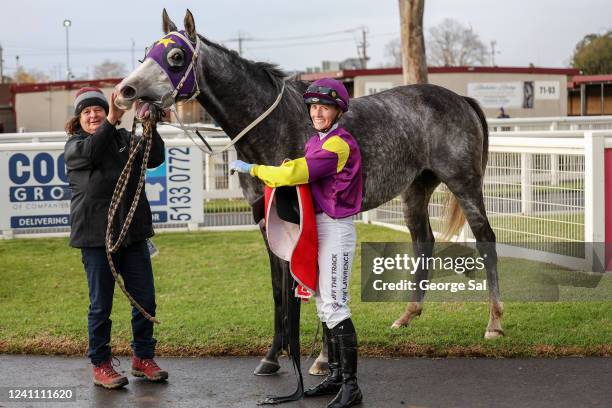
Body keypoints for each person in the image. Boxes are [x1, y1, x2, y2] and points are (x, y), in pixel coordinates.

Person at [231, 78, 363, 408]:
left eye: (325, 107)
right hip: (318, 227)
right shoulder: (317, 142)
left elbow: (293, 175)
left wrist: (254, 169)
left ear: (338, 111)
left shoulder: (338, 145)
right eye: (314, 107)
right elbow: (297, 170)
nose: (317, 112)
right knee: (322, 302)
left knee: (335, 306)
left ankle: (351, 386)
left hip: (336, 229)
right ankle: (334, 375)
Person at [64, 87, 168, 389]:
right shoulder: (75, 146)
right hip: (96, 239)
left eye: (98, 109)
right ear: (78, 120)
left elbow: (155, 157)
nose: (94, 115)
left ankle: (143, 358)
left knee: (145, 299)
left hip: (133, 235)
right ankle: (101, 364)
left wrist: (150, 123)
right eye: (87, 112)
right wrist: (112, 117)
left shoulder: (125, 139)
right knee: (101, 306)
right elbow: (96, 150)